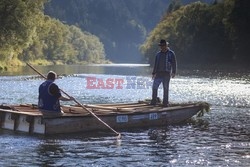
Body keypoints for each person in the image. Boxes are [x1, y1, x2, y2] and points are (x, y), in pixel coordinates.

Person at [150, 39, 177, 106]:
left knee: (165, 88)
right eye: (161, 46)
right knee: (154, 87)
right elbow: (155, 64)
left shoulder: (171, 54)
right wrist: (153, 73)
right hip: (158, 73)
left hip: (166, 73)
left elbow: (174, 63)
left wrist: (173, 72)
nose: (162, 47)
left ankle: (165, 102)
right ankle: (154, 101)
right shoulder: (158, 55)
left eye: (163, 45)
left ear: (166, 45)